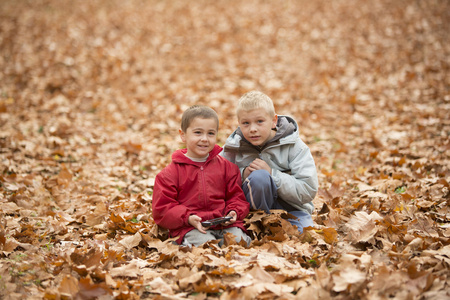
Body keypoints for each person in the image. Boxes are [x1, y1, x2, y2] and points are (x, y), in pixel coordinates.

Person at [152, 105, 251, 247]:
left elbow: (236, 197)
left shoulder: (227, 168)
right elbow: (163, 209)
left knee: (239, 244)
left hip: (224, 225)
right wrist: (188, 218)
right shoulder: (169, 174)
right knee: (206, 248)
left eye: (210, 133)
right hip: (190, 227)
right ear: (183, 135)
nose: (205, 139)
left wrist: (234, 211)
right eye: (198, 133)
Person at [221, 91, 318, 233]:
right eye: (246, 123)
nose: (253, 129)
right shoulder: (233, 148)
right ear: (239, 123)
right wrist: (242, 175)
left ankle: (269, 229)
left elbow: (307, 190)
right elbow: (216, 181)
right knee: (259, 177)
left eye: (260, 121)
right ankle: (256, 226)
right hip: (248, 212)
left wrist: (273, 174)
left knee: (302, 233)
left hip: (291, 210)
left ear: (273, 121)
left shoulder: (294, 146)